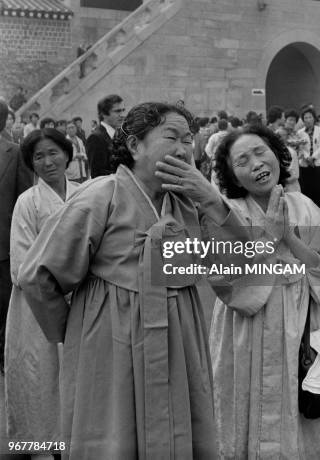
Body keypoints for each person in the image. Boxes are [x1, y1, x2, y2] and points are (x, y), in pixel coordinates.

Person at [18, 102, 249, 459]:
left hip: (180, 337)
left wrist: (212, 199)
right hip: (111, 341)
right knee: (114, 434)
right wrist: (75, 331)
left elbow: (243, 263)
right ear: (134, 145)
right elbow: (38, 275)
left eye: (189, 140)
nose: (182, 148)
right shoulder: (100, 196)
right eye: (171, 136)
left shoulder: (189, 204)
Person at [209, 124, 320, 459]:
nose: (255, 162)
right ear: (234, 178)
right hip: (245, 329)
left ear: (277, 156)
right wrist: (269, 238)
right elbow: (230, 286)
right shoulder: (227, 215)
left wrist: (289, 237)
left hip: (299, 324)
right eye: (241, 161)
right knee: (244, 404)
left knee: (297, 408)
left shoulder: (305, 206)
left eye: (260, 151)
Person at [5, 129, 79, 459]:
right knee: (40, 376)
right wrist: (58, 286)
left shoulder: (84, 194)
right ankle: (39, 443)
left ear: (67, 154)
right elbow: (22, 265)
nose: (47, 161)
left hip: (82, 300)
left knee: (77, 374)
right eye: (38, 156)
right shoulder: (28, 202)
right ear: (31, 164)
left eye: (53, 153)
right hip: (37, 304)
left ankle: (76, 438)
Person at [0, 99, 32, 375]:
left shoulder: (15, 153)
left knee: (2, 307)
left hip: (3, 247)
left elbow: (23, 200)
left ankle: (3, 355)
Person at [86, 94, 125, 177]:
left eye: (123, 110)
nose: (122, 115)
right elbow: (97, 175)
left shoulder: (120, 134)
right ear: (103, 114)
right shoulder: (95, 138)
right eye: (117, 111)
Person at [297, 108, 320, 211]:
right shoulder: (300, 133)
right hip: (304, 164)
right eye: (306, 117)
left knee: (318, 188)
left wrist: (313, 157)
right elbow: (300, 148)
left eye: (310, 117)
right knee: (306, 188)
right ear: (303, 120)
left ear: (314, 118)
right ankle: (307, 212)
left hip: (317, 163)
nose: (308, 119)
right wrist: (307, 158)